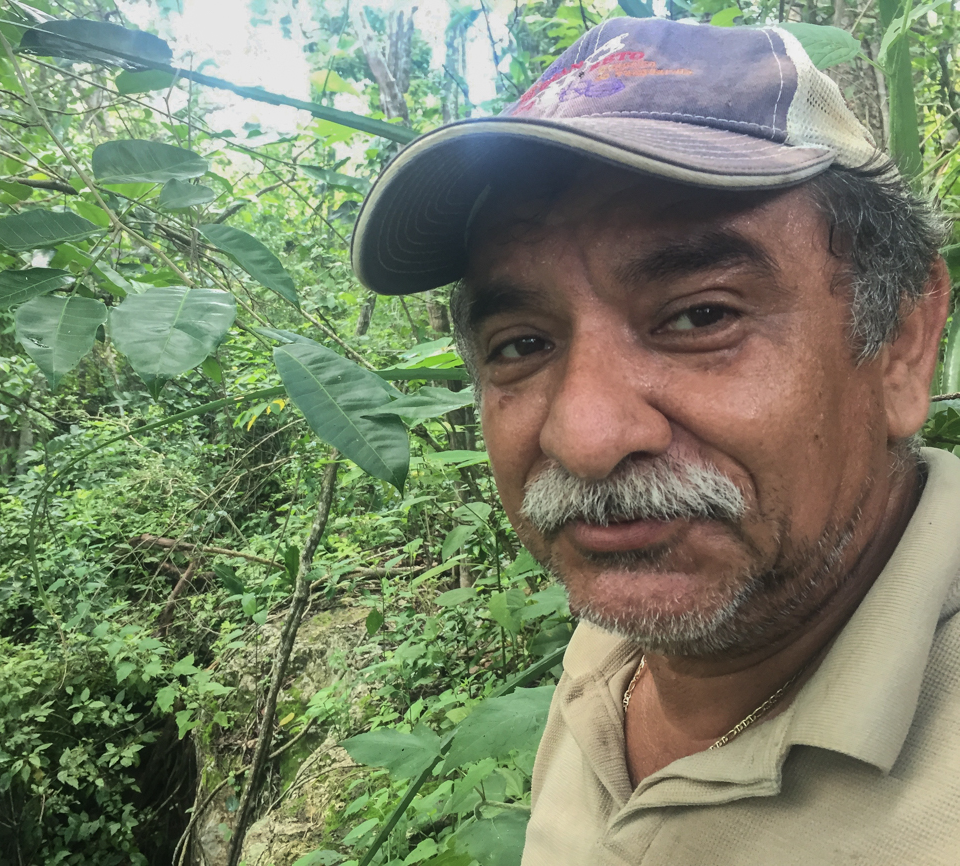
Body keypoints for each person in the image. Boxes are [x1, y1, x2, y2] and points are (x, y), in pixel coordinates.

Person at [350, 16, 960, 865]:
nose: (586, 437)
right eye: (521, 344)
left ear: (900, 341)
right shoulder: (627, 629)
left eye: (702, 316)